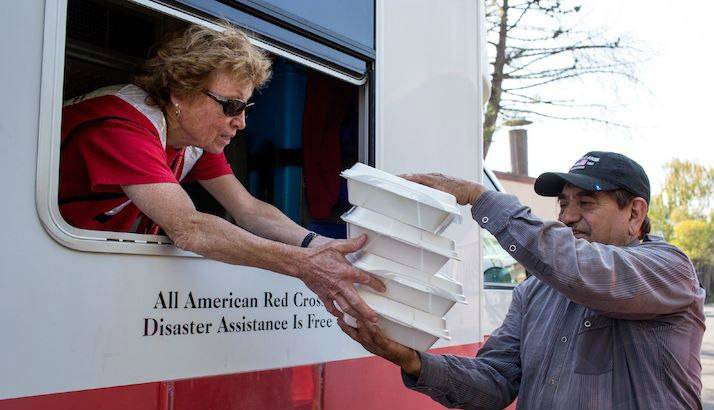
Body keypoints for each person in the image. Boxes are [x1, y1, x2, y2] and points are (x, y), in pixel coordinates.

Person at [58, 23, 384, 323]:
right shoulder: (123, 127)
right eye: (231, 106)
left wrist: (320, 244)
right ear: (180, 93)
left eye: (245, 108)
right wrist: (304, 265)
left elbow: (249, 209)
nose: (241, 122)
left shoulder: (190, 138)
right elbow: (189, 228)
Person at [338, 151, 705, 409]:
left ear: (635, 213)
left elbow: (584, 270)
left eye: (587, 203)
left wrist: (481, 198)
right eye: (563, 203)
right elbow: (495, 382)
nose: (568, 217)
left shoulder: (670, 270)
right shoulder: (534, 292)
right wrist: (414, 362)